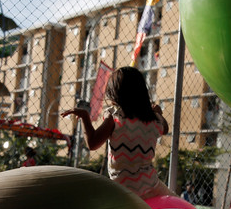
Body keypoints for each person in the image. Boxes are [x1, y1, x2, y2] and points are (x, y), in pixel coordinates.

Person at [60, 66, 171, 199]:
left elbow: (93, 143)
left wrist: (85, 117)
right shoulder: (154, 119)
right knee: (176, 202)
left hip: (122, 187)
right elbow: (165, 128)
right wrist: (158, 113)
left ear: (115, 95)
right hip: (150, 185)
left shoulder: (116, 117)